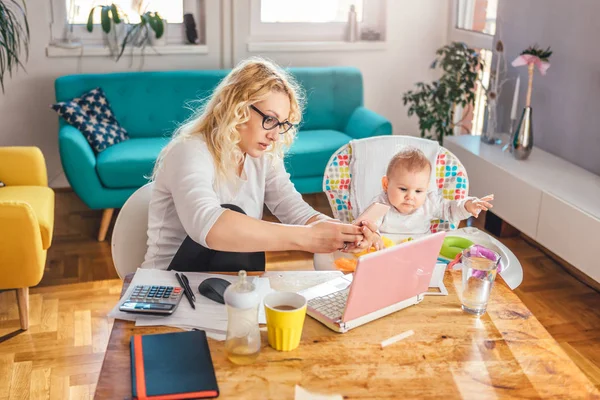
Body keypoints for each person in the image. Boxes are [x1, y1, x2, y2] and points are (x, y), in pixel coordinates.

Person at [141, 58, 379, 272]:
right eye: (269, 120)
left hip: (225, 282)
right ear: (237, 107)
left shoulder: (261, 156)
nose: (275, 135)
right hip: (168, 285)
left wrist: (345, 233)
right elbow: (209, 226)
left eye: (282, 124)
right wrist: (306, 238)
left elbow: (295, 210)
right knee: (231, 213)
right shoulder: (190, 150)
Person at [368, 147, 494, 249]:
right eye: (403, 189)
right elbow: (367, 225)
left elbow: (450, 210)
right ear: (386, 184)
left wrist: (467, 205)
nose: (410, 196)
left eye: (418, 191)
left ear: (426, 189)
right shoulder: (380, 205)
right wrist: (373, 235)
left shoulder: (429, 203)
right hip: (386, 254)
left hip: (422, 253)